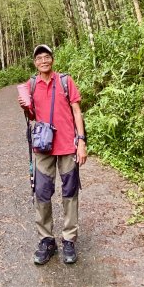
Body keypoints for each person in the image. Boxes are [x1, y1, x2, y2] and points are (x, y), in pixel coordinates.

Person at [18, 44, 87, 265]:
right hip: (42, 147)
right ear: (35, 63)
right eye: (39, 58)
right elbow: (32, 115)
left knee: (70, 192)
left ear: (52, 60)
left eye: (47, 57)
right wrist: (25, 108)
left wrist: (82, 142)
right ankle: (46, 240)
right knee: (42, 193)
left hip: (67, 144)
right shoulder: (30, 85)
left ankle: (69, 239)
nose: (44, 61)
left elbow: (77, 110)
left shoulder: (65, 81)